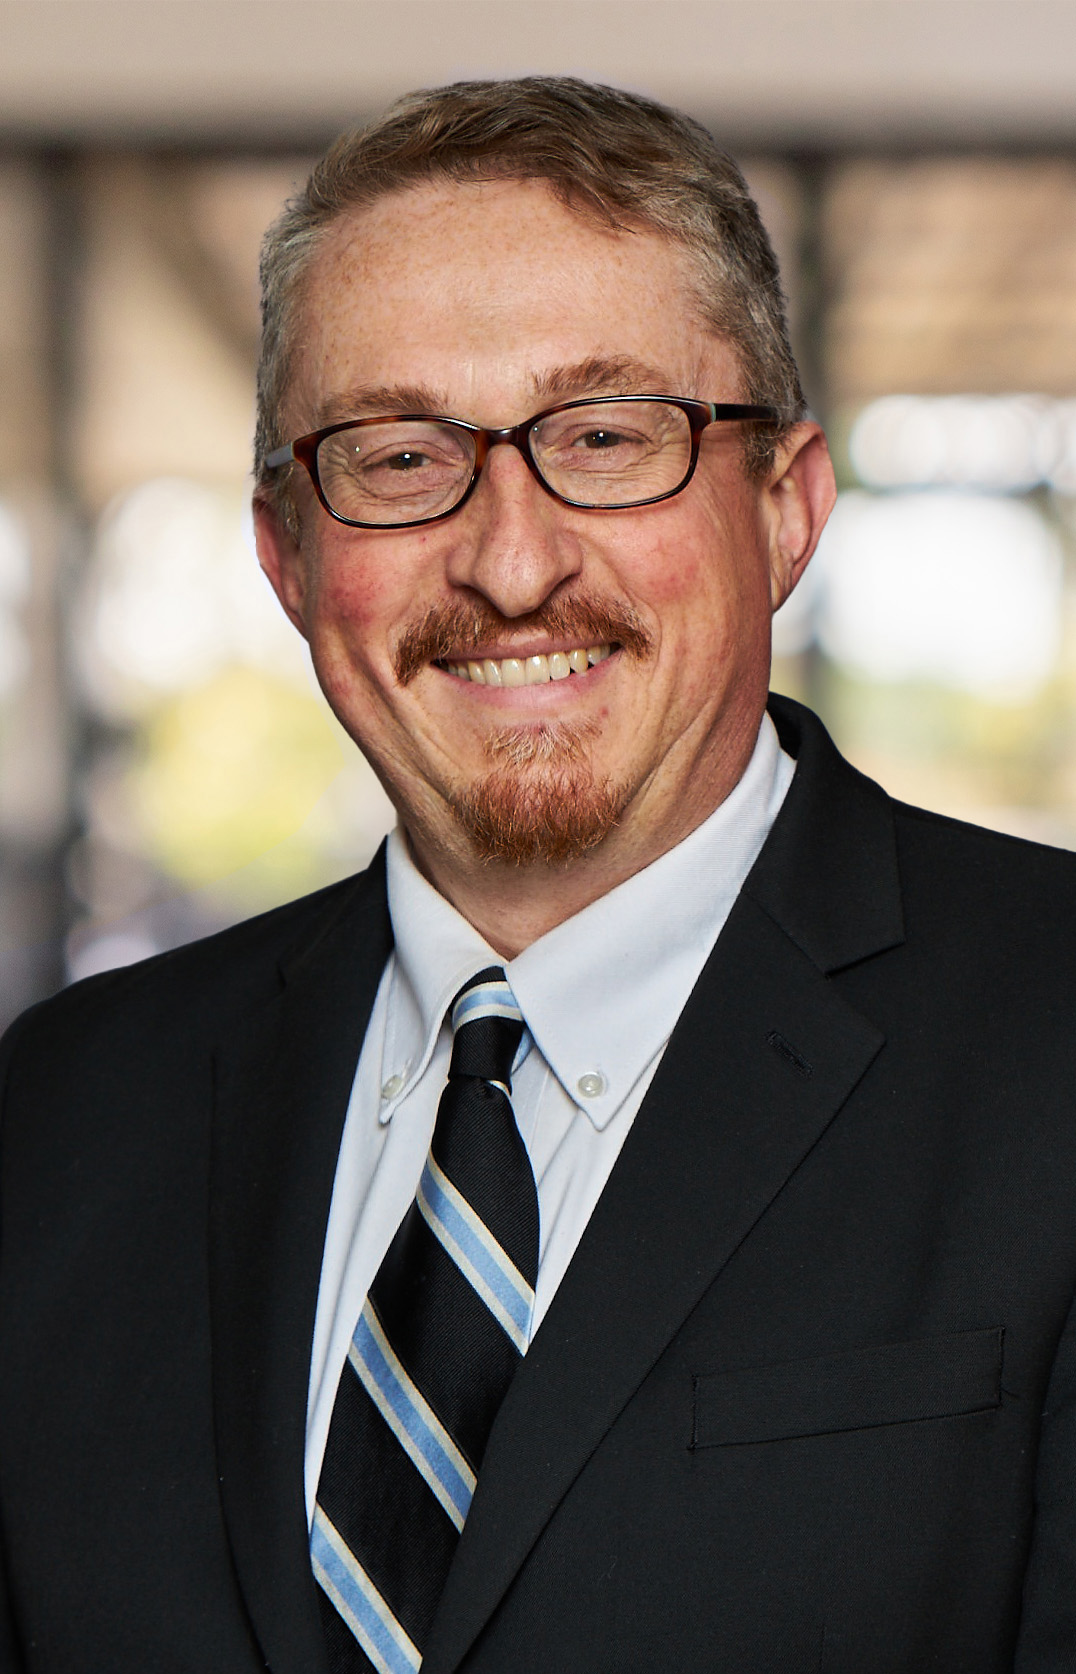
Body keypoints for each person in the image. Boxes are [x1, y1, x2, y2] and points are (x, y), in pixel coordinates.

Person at [2, 75, 1076, 1674]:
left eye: (606, 435)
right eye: (396, 453)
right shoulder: (64, 1115)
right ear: (289, 556)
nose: (512, 563)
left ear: (784, 509)